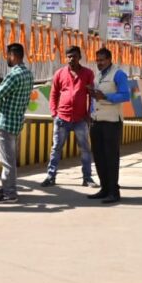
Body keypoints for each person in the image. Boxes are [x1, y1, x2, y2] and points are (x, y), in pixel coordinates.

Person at [41, 46, 96, 188]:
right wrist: (54, 113)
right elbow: (54, 94)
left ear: (80, 57)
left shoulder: (88, 73)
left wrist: (89, 114)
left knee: (85, 149)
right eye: (69, 56)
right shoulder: (59, 73)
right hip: (62, 118)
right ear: (66, 58)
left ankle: (87, 178)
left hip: (80, 119)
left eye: (74, 56)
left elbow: (91, 95)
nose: (71, 59)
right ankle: (51, 177)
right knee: (56, 148)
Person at [0, 43, 34, 203]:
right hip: (16, 122)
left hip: (5, 122)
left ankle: (10, 193)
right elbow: (12, 88)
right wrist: (0, 80)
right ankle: (7, 187)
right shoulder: (27, 73)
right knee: (8, 158)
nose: (7, 58)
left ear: (13, 56)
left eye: (8, 55)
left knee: (7, 161)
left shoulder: (13, 75)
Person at [88, 47, 131, 204]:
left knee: (111, 157)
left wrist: (106, 96)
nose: (99, 63)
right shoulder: (98, 75)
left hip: (111, 122)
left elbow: (125, 95)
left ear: (109, 59)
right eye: (97, 60)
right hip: (97, 120)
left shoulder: (118, 74)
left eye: (102, 60)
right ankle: (104, 188)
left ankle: (114, 191)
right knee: (98, 156)